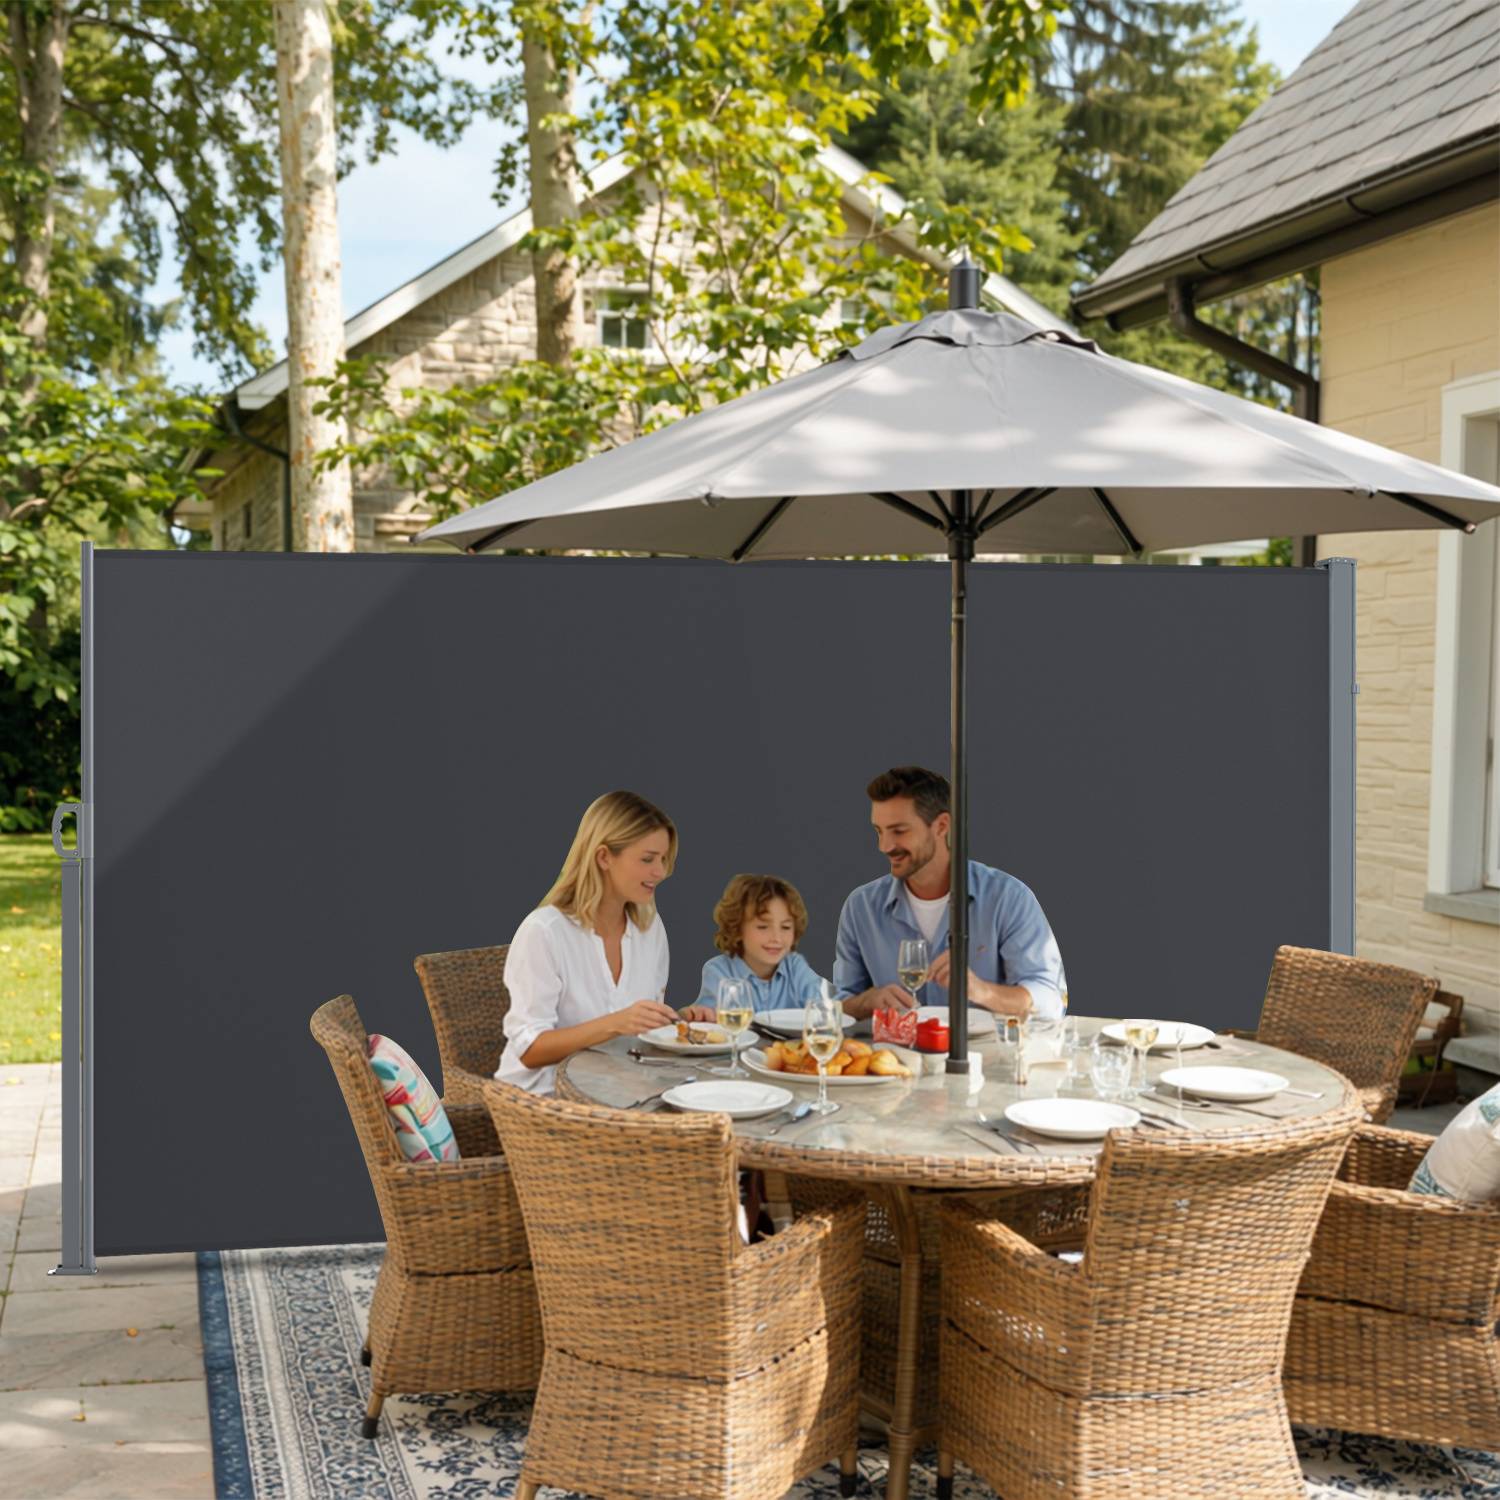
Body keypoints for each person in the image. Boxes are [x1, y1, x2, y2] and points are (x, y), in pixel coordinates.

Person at [834, 765, 1065, 1023]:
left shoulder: (1008, 899)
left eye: (899, 831)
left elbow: (1050, 1000)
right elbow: (838, 1008)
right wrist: (865, 1003)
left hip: (986, 1049)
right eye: (879, 831)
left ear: (942, 825)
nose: (884, 846)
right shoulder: (860, 907)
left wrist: (983, 991)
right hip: (897, 1049)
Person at [498, 790, 681, 1094]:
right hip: (542, 1099)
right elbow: (530, 1050)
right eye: (647, 859)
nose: (660, 872)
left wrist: (681, 1020)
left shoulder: (650, 929)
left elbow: (645, 1031)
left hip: (619, 1090)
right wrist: (616, 1023)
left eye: (663, 859)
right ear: (604, 857)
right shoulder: (544, 932)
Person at [695, 874, 827, 1015]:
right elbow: (708, 1018)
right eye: (763, 927)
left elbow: (822, 1007)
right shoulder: (718, 972)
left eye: (786, 927)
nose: (776, 938)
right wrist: (696, 1014)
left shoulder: (795, 967)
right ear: (737, 929)